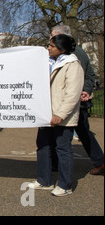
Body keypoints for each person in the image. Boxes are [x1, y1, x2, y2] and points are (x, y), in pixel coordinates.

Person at [29, 34, 83, 196]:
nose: (49, 48)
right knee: (43, 146)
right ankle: (44, 180)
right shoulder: (49, 63)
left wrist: (60, 114)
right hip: (46, 114)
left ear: (62, 49)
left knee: (63, 149)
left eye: (52, 46)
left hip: (61, 117)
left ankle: (65, 185)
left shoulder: (73, 65)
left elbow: (72, 94)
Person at [51, 24, 104, 175]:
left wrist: (84, 91)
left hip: (72, 103)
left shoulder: (73, 55)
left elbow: (87, 75)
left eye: (53, 35)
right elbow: (90, 75)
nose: (50, 38)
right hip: (73, 101)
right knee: (82, 132)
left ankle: (58, 166)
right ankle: (99, 161)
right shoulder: (72, 53)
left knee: (69, 134)